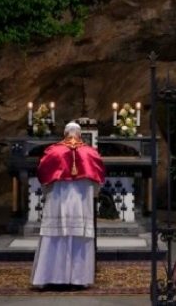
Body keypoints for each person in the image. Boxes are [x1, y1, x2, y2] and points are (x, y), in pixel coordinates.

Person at [30, 121, 105, 289]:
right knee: (78, 237)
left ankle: (50, 278)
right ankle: (78, 280)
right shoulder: (90, 153)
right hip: (81, 204)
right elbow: (98, 181)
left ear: (64, 133)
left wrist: (48, 190)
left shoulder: (53, 152)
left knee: (55, 236)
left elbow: (43, 176)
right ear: (80, 134)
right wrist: (92, 192)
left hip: (58, 202)